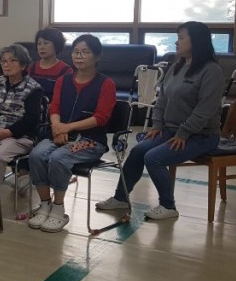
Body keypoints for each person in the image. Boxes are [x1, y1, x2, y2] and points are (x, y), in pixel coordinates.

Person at [96, 21, 224, 220]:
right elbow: (161, 100)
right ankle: (120, 198)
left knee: (153, 157)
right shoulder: (175, 68)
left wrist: (183, 133)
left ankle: (168, 206)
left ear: (196, 41)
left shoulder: (211, 71)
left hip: (201, 135)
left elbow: (205, 110)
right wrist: (157, 125)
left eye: (181, 38)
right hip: (170, 131)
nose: (177, 42)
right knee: (138, 151)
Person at [27, 35, 117, 233]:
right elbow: (54, 108)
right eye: (76, 52)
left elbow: (101, 118)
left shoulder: (106, 84)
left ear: (97, 56)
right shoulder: (64, 80)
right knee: (36, 155)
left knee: (59, 157)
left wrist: (67, 128)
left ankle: (58, 209)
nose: (79, 56)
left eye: (85, 52)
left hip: (90, 140)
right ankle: (44, 204)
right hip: (59, 133)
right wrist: (57, 127)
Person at [0, 44, 43, 193]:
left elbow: (32, 119)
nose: (7, 64)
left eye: (12, 60)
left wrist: (8, 132)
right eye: (4, 61)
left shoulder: (33, 88)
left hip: (20, 136)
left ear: (23, 65)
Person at [27, 27, 72, 98]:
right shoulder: (32, 67)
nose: (41, 47)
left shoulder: (66, 70)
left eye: (46, 43)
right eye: (39, 44)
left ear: (56, 45)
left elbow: (66, 96)